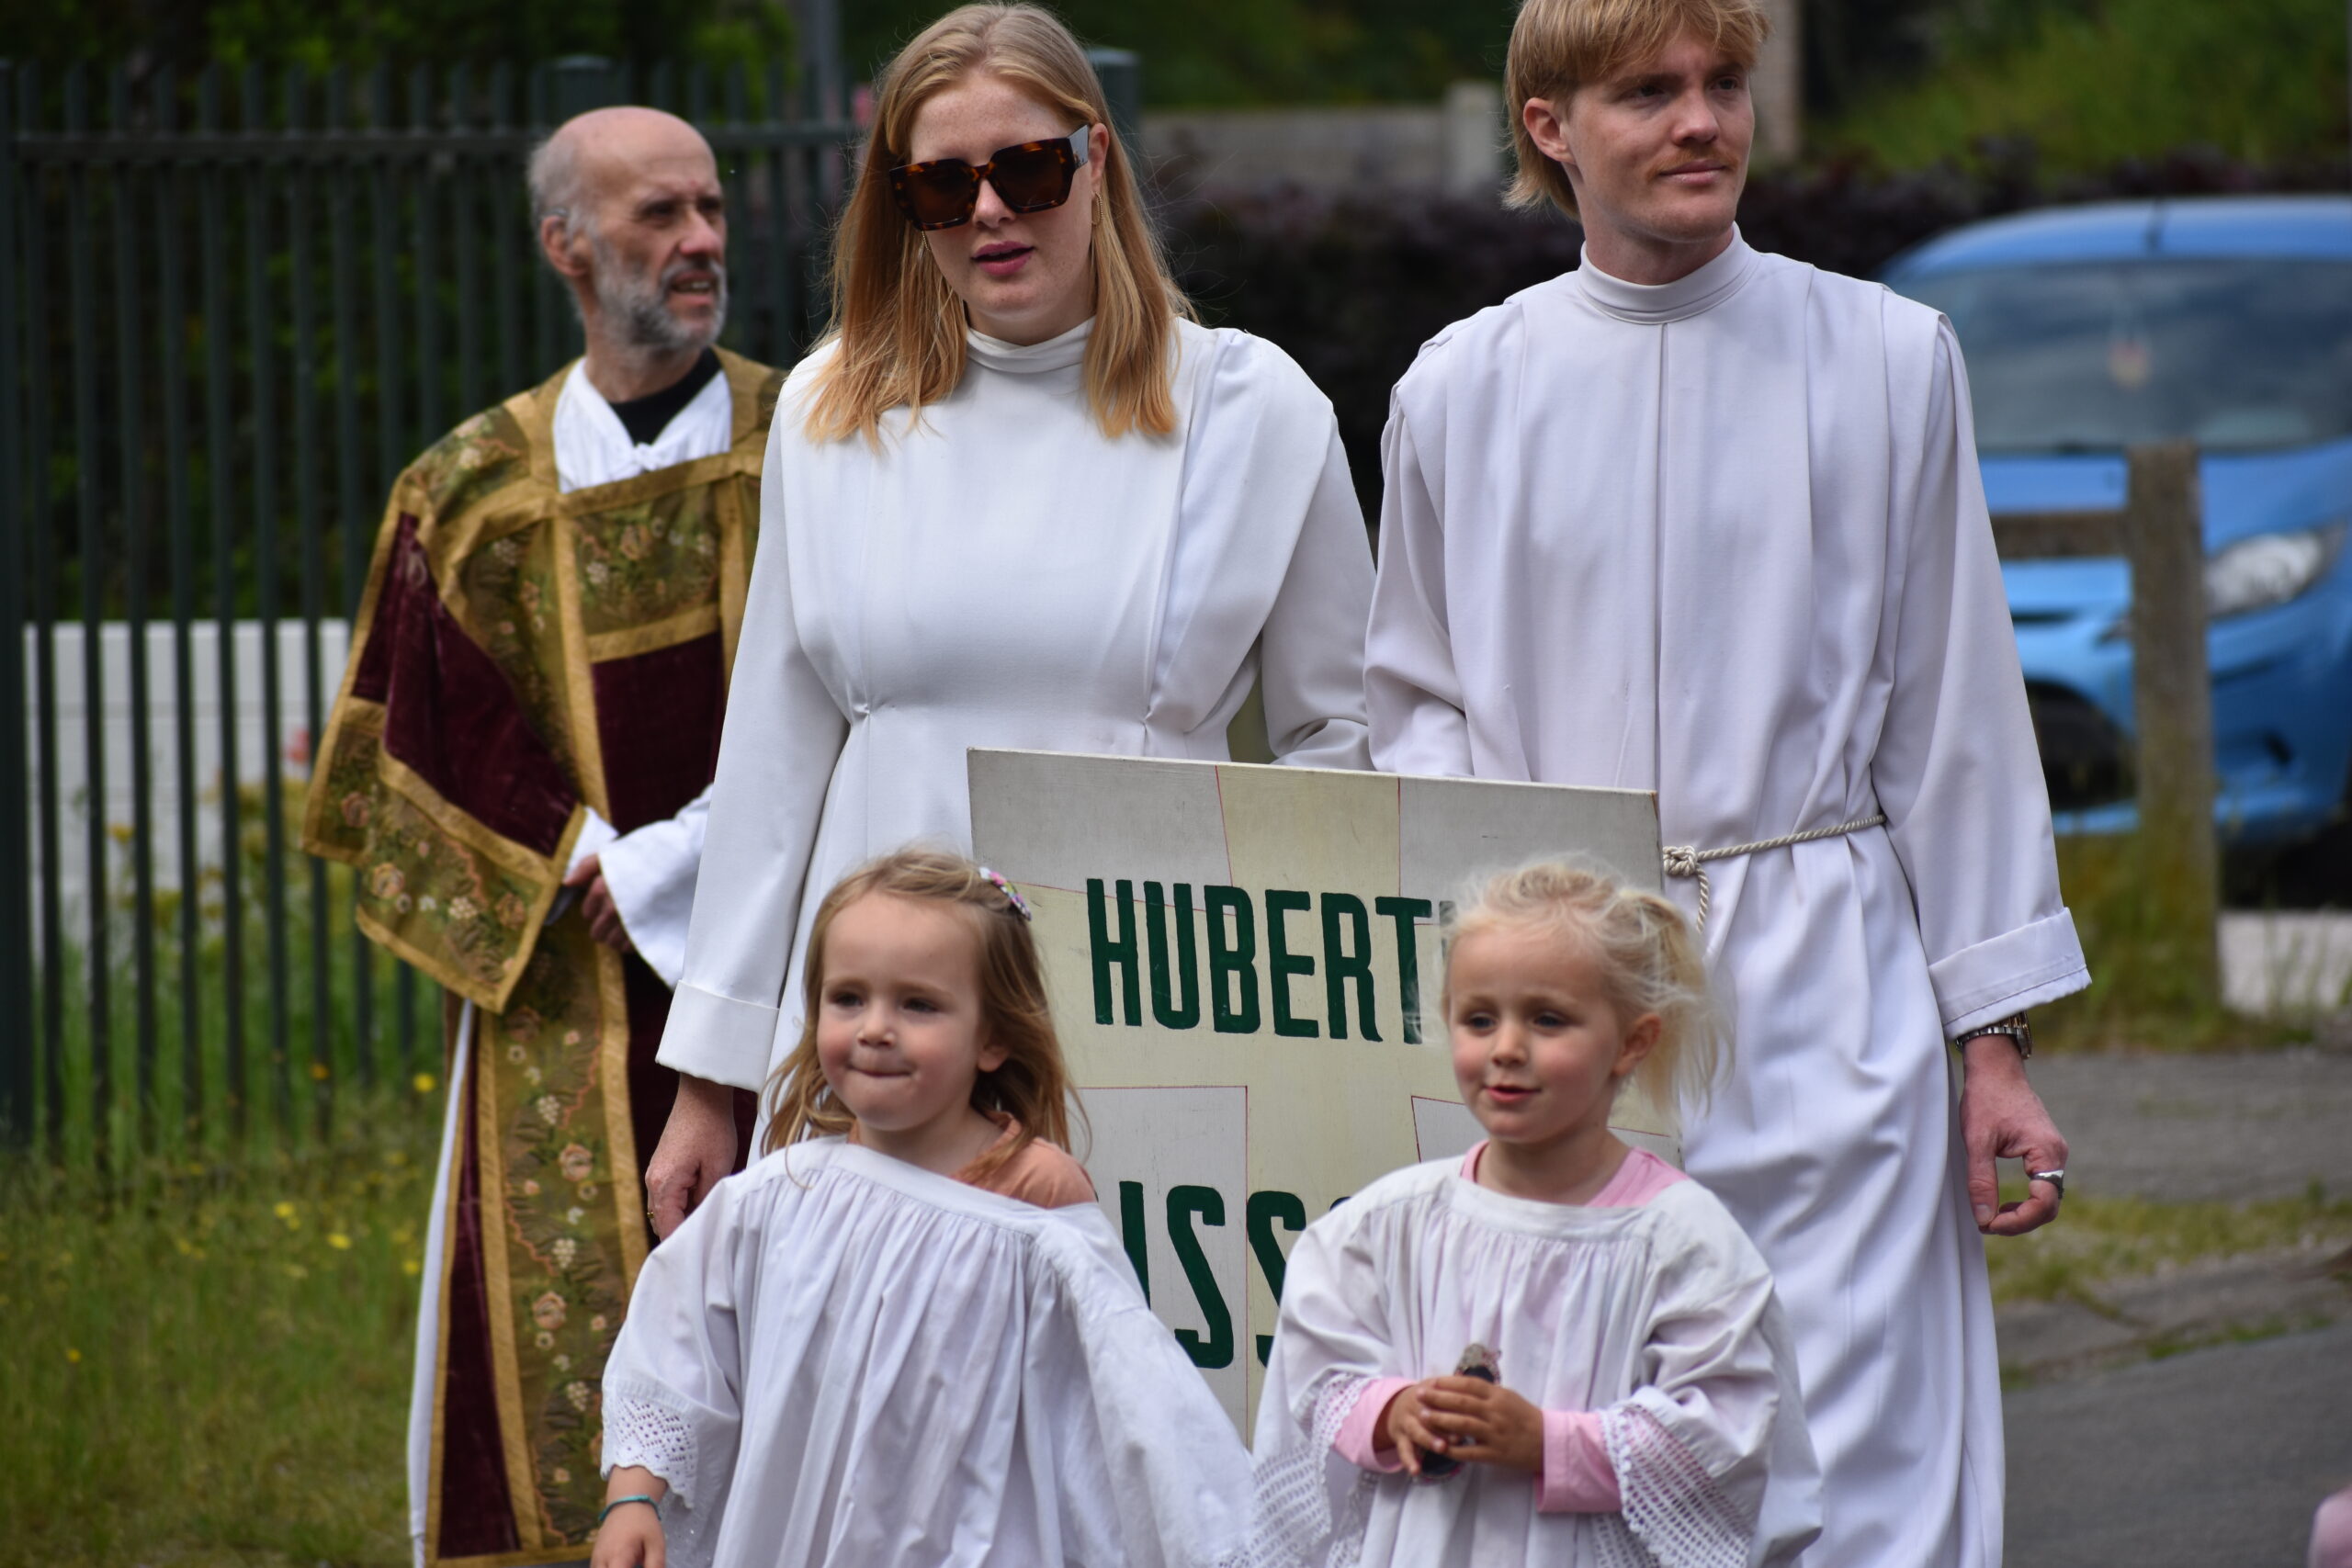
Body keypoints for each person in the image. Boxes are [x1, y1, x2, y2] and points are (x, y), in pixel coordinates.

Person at [1360, 0, 2091, 1561]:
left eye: (1723, 83)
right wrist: (1502, 936)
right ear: (1551, 126)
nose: (1700, 121)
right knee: (1588, 1417)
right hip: (1572, 999)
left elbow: (1954, 719)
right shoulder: (1459, 388)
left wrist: (1994, 1041)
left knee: (1850, 1439)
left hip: (1829, 986)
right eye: (1647, 90)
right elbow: (1410, 704)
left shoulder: (1891, 359)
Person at [641, 1, 1374, 1232]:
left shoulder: (1255, 410)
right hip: (870, 1044)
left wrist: (1319, 1056)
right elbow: (772, 762)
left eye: (1027, 169)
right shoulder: (832, 410)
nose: (989, 212)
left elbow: (1340, 753)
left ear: (1099, 162)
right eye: (940, 186)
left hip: (1148, 1031)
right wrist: (708, 1081)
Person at [301, 106, 781, 1565]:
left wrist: (668, 862)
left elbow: (859, 697)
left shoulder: (816, 439)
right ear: (565, 244)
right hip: (557, 981)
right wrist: (575, 854)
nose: (699, 241)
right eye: (656, 216)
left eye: (709, 207)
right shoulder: (470, 493)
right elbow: (414, 734)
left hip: (792, 961)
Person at [590, 849, 1250, 1568]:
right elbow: (677, 1344)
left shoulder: (1033, 1199)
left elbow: (1130, 1398)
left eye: (918, 1003)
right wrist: (634, 1493)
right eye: (848, 998)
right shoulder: (777, 1196)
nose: (875, 1027)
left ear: (993, 1035)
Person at [1252, 860, 1818, 1567]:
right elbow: (1318, 1367)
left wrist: (1548, 1443)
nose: (1507, 1049)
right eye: (1479, 1018)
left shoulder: (1680, 1241)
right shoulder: (1388, 1223)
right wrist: (1393, 1411)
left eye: (1548, 1019)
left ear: (1633, 1041)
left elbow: (1728, 1432)